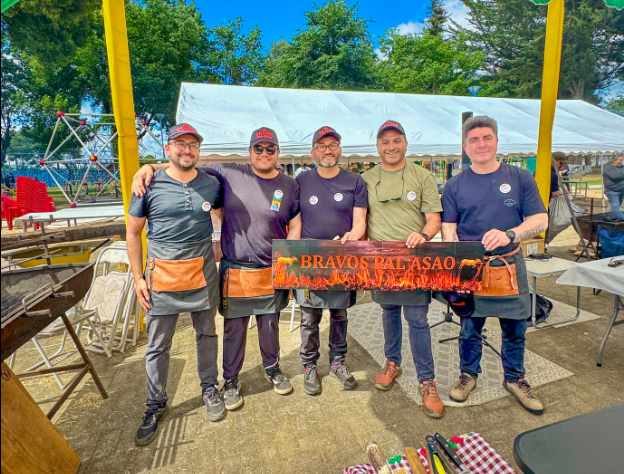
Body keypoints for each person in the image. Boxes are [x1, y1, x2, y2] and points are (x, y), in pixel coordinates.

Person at [132, 126, 302, 412]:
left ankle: (272, 368)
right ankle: (230, 381)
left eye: (270, 149)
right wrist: (147, 167)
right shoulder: (229, 172)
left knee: (270, 326)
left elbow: (295, 223)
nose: (264, 153)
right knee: (234, 329)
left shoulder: (289, 184)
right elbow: (186, 164)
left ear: (277, 153)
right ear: (249, 152)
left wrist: (288, 261)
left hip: (272, 268)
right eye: (258, 148)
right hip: (235, 267)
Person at [441, 115, 549, 415]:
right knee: (469, 327)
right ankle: (468, 375)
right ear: (465, 147)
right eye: (474, 140)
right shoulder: (455, 185)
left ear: (497, 141)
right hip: (470, 267)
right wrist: (455, 250)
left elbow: (541, 220)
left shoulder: (519, 178)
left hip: (509, 264)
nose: (481, 144)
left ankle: (515, 379)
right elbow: (449, 225)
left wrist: (510, 234)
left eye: (487, 137)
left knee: (515, 328)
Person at [126, 123, 224, 447]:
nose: (187, 149)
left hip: (202, 274)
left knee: (207, 334)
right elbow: (132, 232)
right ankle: (155, 404)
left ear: (199, 150)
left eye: (192, 144)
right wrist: (138, 278)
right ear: (167, 148)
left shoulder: (211, 183)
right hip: (161, 277)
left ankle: (209, 388)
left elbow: (224, 217)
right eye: (180, 144)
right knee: (157, 345)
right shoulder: (147, 185)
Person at [361, 120, 444, 419]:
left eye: (396, 140)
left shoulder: (423, 176)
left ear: (406, 144)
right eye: (385, 141)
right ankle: (392, 362)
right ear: (377, 147)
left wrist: (423, 234)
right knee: (389, 313)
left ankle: (427, 381)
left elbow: (434, 219)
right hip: (381, 262)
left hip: (414, 261)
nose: (391, 146)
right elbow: (360, 219)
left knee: (418, 319)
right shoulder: (366, 179)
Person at [295, 126, 368, 395]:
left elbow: (360, 222)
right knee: (309, 317)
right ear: (313, 152)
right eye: (322, 146)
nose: (328, 150)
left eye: (333, 145)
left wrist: (352, 236)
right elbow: (293, 220)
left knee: (339, 315)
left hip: (342, 260)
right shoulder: (301, 180)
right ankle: (309, 365)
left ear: (340, 149)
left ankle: (338, 362)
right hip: (309, 261)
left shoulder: (355, 181)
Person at [603, 153, 624, 218]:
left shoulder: (622, 167)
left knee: (615, 208)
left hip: (621, 191)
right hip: (612, 191)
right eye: (620, 160)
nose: (622, 162)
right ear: (614, 160)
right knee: (615, 208)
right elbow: (615, 176)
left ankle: (611, 219)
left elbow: (619, 175)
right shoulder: (608, 168)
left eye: (622, 160)